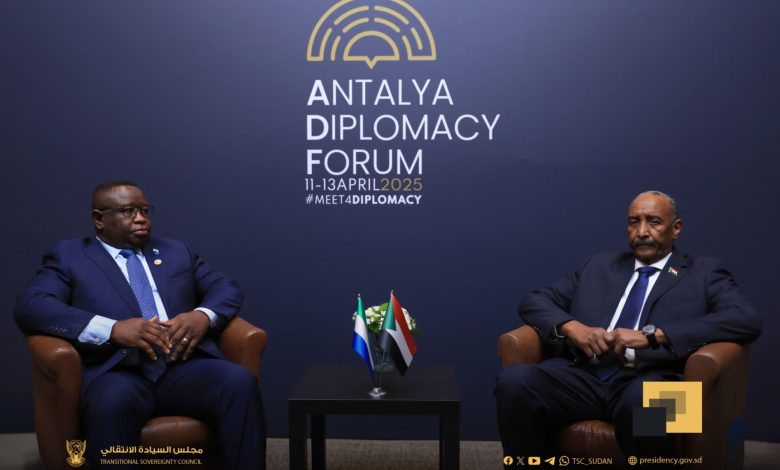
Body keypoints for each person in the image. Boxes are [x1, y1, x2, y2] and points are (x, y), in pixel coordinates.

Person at [14, 181, 266, 469]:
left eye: (144, 210)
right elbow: (32, 305)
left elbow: (225, 286)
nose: (140, 218)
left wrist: (202, 316)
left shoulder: (175, 251)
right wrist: (112, 329)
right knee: (109, 403)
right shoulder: (71, 256)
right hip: (117, 372)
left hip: (180, 366)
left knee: (238, 382)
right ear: (99, 219)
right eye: (128, 211)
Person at [495, 190, 762, 462]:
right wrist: (572, 327)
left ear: (676, 228)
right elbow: (534, 301)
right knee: (514, 382)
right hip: (586, 376)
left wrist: (655, 336)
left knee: (645, 405)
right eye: (634, 222)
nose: (642, 231)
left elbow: (747, 319)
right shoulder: (598, 265)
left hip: (666, 382)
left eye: (654, 222)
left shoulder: (704, 272)